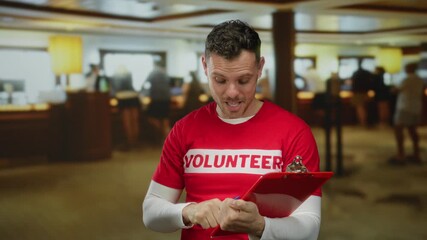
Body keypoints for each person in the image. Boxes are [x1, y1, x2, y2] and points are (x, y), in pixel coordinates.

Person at [143, 20, 322, 240]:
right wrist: (189, 211)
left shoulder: (294, 132)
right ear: (205, 67)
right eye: (220, 80)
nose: (232, 92)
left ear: (260, 68)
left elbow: (310, 228)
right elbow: (150, 212)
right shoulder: (184, 130)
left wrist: (260, 225)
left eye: (244, 80)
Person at [389, 62, 424, 165]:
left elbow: (396, 90)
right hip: (416, 107)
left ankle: (401, 154)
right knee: (412, 130)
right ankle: (416, 154)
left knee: (398, 129)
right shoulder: (419, 79)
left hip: (405, 107)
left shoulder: (407, 79)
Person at [110, 65, 140, 149]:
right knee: (134, 120)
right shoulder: (129, 73)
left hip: (122, 97)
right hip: (133, 97)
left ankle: (130, 142)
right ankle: (135, 141)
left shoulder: (115, 76)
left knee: (127, 121)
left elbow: (115, 89)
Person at [145, 63, 172, 140]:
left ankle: (160, 133)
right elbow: (169, 85)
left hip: (156, 99)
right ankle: (167, 139)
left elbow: (146, 83)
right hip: (166, 99)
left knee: (152, 118)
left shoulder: (153, 73)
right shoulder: (165, 73)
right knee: (165, 119)